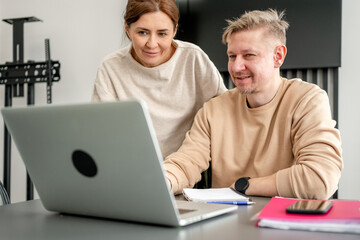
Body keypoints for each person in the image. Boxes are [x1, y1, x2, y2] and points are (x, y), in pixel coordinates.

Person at [164, 9, 343, 200]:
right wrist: (163, 180)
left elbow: (320, 179)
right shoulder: (213, 110)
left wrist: (245, 185)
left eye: (248, 55)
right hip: (226, 223)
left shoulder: (307, 100)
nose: (235, 67)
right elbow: (185, 163)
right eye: (232, 56)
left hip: (284, 224)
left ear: (278, 56)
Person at [92, 0, 227, 157]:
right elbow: (101, 130)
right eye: (142, 32)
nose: (152, 44)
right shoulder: (111, 67)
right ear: (127, 29)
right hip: (131, 162)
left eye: (162, 34)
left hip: (186, 166)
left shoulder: (193, 58)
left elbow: (223, 111)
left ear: (175, 30)